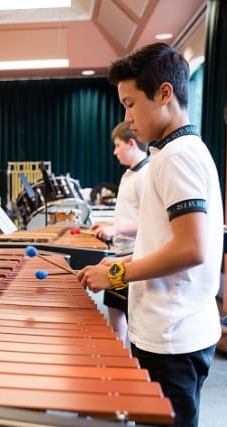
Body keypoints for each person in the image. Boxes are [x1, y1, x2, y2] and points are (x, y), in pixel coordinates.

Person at [77, 42, 223, 427]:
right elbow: (169, 239)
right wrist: (119, 264)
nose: (127, 116)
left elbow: (192, 248)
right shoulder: (174, 152)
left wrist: (120, 272)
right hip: (170, 327)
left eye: (129, 103)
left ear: (164, 93)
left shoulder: (177, 156)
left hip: (173, 336)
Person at [89, 121, 149, 343]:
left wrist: (115, 230)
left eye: (117, 145)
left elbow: (149, 223)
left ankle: (127, 357)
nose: (114, 152)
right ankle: (118, 351)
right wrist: (107, 225)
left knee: (131, 313)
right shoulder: (128, 175)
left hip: (135, 255)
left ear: (131, 143)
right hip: (120, 251)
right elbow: (128, 214)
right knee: (114, 307)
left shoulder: (146, 176)